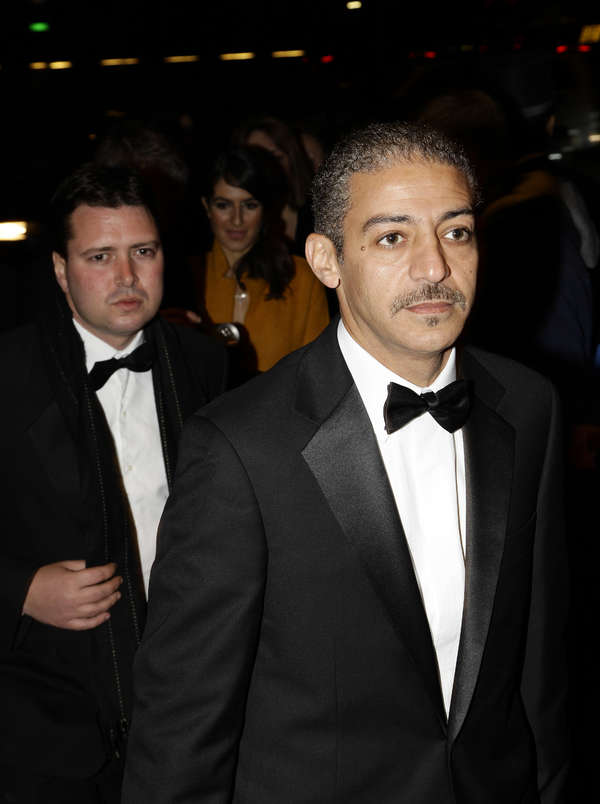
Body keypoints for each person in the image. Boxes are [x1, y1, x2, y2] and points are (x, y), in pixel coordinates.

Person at [122, 123, 568, 803]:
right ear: (325, 260)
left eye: (456, 232)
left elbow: (540, 669)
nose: (434, 268)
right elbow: (180, 730)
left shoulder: (530, 406)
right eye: (392, 238)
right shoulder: (240, 448)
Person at [0, 164, 226, 803]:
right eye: (100, 256)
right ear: (60, 269)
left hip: (188, 708)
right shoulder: (9, 376)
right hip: (45, 723)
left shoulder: (205, 364)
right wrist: (20, 590)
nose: (127, 276)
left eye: (143, 252)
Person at [190, 145, 329, 377]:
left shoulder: (301, 277)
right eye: (223, 205)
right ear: (207, 207)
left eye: (249, 205)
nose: (236, 219)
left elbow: (318, 373)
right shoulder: (188, 276)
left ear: (265, 209)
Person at [233, 116, 315, 252]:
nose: (267, 167)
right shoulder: (234, 220)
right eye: (256, 160)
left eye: (276, 158)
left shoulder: (319, 213)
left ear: (293, 161)